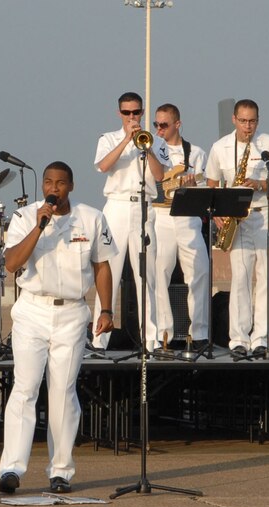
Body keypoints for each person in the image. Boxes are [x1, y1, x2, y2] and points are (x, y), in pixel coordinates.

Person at [0, 161, 117, 494]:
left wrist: (106, 309)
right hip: (33, 310)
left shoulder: (92, 218)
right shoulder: (25, 217)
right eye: (48, 182)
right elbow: (12, 263)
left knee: (63, 392)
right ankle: (11, 469)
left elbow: (102, 266)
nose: (53, 188)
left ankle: (61, 471)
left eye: (60, 183)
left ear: (71, 186)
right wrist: (39, 227)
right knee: (25, 388)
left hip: (72, 313)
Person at [205, 99, 269, 357]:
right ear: (234, 120)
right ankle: (239, 340)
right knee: (240, 278)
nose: (248, 127)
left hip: (268, 213)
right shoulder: (220, 147)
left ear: (258, 121)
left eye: (252, 121)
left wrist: (260, 184)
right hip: (238, 218)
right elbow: (212, 183)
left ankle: (263, 339)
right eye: (243, 121)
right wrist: (217, 213)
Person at [92, 91, 169, 352]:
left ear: (142, 112)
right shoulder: (108, 139)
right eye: (126, 112)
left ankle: (151, 340)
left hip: (143, 206)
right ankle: (99, 340)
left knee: (146, 274)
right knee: (108, 272)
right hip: (116, 205)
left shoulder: (156, 141)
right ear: (119, 113)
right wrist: (126, 139)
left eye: (136, 112)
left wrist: (147, 148)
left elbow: (159, 176)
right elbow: (103, 166)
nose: (131, 116)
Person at [151, 103, 210, 349]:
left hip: (187, 216)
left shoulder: (195, 153)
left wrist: (193, 185)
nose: (159, 129)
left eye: (164, 125)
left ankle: (199, 334)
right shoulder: (150, 149)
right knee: (159, 273)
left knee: (200, 271)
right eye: (156, 124)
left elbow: (206, 187)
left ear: (177, 124)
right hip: (160, 216)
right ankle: (163, 334)